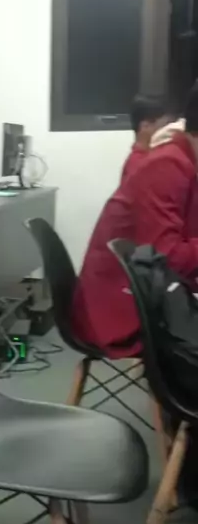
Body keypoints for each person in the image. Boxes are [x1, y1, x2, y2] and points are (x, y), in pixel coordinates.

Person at [71, 82, 198, 357]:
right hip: (118, 309)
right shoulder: (168, 165)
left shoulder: (182, 159)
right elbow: (168, 258)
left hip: (145, 292)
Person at [120, 94, 170, 185]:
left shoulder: (143, 160)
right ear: (145, 126)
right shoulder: (140, 166)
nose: (168, 131)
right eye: (164, 126)